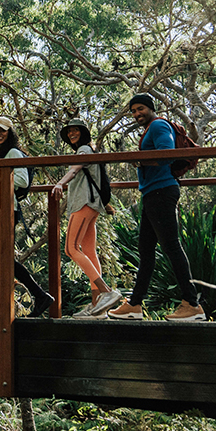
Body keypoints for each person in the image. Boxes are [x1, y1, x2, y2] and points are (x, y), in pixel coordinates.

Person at [108, 94, 205, 321]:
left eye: (140, 108)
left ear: (151, 108)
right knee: (146, 250)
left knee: (171, 246)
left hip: (161, 191)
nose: (136, 114)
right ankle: (134, 304)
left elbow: (167, 154)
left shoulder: (159, 125)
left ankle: (192, 304)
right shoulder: (151, 128)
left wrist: (140, 160)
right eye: (133, 111)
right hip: (152, 193)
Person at [0, 116, 55, 317]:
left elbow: (23, 181)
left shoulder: (12, 152)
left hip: (9, 209)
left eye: (3, 131)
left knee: (1, 257)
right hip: (0, 209)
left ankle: (38, 296)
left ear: (10, 133)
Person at [52, 118, 123, 319]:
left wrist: (59, 183)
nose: (72, 134)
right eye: (69, 132)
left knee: (70, 248)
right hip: (91, 205)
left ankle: (106, 292)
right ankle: (97, 307)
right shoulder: (86, 150)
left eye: (76, 130)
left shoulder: (84, 150)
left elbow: (74, 170)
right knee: (89, 252)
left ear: (83, 132)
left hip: (84, 204)